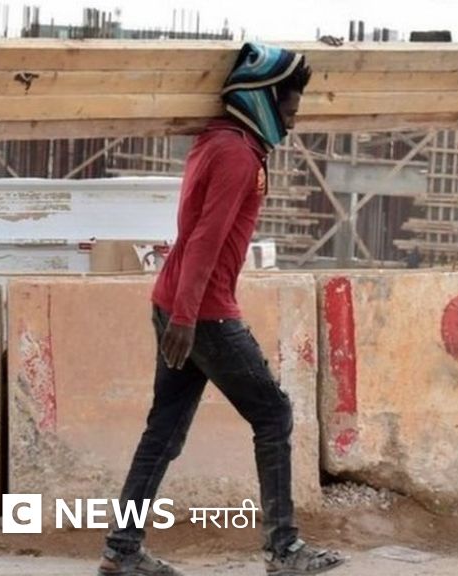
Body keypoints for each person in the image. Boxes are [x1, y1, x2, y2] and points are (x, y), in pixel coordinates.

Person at [96, 43, 346, 576]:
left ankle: (122, 550)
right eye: (289, 111)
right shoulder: (237, 154)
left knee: (164, 431)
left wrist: (180, 312)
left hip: (177, 302)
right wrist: (188, 318)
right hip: (203, 313)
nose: (292, 124)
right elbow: (206, 238)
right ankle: (284, 549)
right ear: (262, 100)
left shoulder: (218, 141)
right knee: (273, 414)